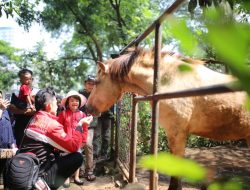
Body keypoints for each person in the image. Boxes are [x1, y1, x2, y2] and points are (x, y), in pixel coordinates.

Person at [4, 87, 91, 190]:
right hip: (35, 172)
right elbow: (74, 146)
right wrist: (80, 125)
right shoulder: (50, 124)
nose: (57, 105)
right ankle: (42, 184)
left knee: (57, 153)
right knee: (77, 157)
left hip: (25, 166)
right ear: (49, 106)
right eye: (55, 103)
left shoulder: (34, 118)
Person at [58, 90, 92, 187]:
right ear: (68, 102)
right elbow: (59, 128)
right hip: (66, 142)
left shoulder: (82, 115)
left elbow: (85, 129)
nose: (74, 102)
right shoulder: (63, 114)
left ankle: (77, 177)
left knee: (76, 159)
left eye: (77, 101)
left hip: (78, 141)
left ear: (79, 103)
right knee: (66, 159)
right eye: (72, 100)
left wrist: (84, 140)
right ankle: (66, 178)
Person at [9, 68, 36, 147]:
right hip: (20, 124)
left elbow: (39, 109)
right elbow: (12, 108)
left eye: (30, 79)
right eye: (26, 79)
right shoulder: (16, 93)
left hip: (33, 125)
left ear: (32, 79)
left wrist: (27, 110)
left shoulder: (37, 92)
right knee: (20, 145)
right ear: (20, 80)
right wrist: (27, 111)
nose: (29, 81)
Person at [79, 75, 97, 181]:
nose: (91, 85)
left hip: (91, 124)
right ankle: (80, 170)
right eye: (89, 83)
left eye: (93, 83)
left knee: (88, 145)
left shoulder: (97, 94)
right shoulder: (79, 93)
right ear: (85, 83)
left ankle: (89, 170)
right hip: (79, 123)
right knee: (78, 146)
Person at [0, 91, 18, 184]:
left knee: (7, 175)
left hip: (6, 150)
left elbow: (10, 129)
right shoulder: (2, 110)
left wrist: (13, 145)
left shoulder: (6, 111)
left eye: (0, 97)